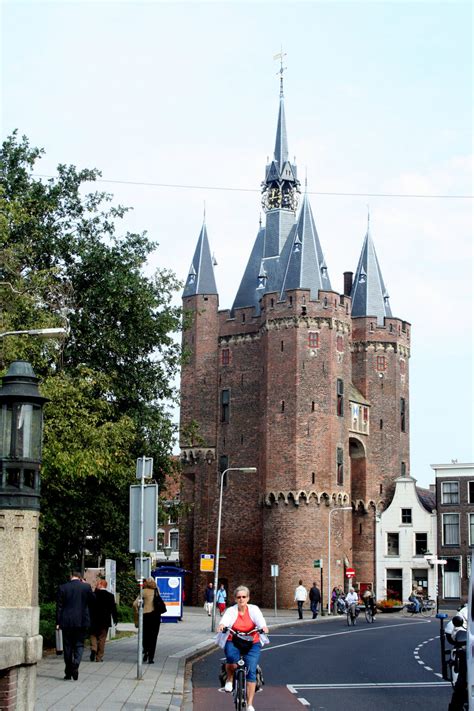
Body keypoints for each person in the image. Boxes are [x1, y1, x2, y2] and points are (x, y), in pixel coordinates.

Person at [216, 585, 269, 711]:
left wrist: (263, 627)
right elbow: (225, 620)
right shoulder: (231, 610)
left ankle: (250, 704)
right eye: (239, 597)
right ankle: (229, 679)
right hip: (234, 640)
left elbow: (260, 620)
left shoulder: (254, 609)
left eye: (244, 597)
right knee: (231, 658)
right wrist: (222, 625)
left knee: (251, 670)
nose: (241, 599)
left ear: (248, 598)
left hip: (252, 642)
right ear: (235, 599)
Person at [56, 570, 95, 680]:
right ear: (80, 577)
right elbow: (93, 601)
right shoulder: (86, 587)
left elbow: (59, 607)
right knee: (79, 645)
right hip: (81, 621)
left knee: (67, 646)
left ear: (71, 576)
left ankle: (68, 672)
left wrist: (58, 622)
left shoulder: (63, 587)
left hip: (66, 622)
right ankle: (76, 664)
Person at [133, 577, 165, 663]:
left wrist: (138, 611)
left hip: (146, 615)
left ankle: (146, 650)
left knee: (145, 635)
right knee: (154, 637)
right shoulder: (157, 591)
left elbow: (134, 604)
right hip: (156, 616)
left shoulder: (143, 591)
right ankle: (151, 658)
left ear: (146, 583)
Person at [90, 579, 118, 662]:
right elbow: (113, 609)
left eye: (98, 584)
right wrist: (115, 618)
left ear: (101, 585)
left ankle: (94, 648)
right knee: (102, 638)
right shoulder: (110, 596)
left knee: (93, 635)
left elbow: (89, 607)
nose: (97, 585)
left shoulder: (93, 594)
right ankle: (99, 657)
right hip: (105, 621)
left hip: (94, 620)